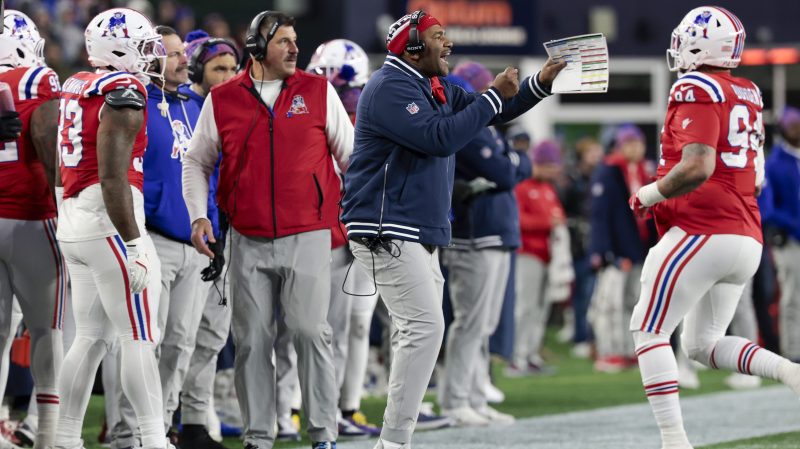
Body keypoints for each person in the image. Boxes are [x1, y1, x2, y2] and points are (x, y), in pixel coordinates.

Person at [341, 9, 565, 449]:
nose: (449, 45)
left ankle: (394, 436)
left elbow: (492, 114)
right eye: (440, 36)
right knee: (424, 330)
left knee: (422, 331)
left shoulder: (430, 84)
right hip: (387, 225)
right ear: (413, 46)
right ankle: (393, 439)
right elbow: (438, 137)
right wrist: (490, 98)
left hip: (415, 227)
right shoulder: (388, 86)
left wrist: (541, 82)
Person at [627, 7, 800, 449]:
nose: (679, 46)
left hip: (705, 227)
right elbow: (756, 176)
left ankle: (673, 440)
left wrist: (649, 194)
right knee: (702, 345)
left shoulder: (695, 85)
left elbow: (699, 165)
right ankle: (790, 372)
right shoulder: (748, 91)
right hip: (746, 233)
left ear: (703, 43)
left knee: (649, 330)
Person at [182, 10, 352, 449]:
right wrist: (199, 214)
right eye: (284, 41)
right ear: (257, 48)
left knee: (311, 333)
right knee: (253, 341)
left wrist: (358, 215)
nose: (294, 48)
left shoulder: (319, 91)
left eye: (295, 40)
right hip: (247, 237)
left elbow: (352, 158)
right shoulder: (223, 99)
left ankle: (323, 434)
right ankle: (259, 436)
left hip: (310, 232)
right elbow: (197, 161)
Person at [54, 8, 170, 449]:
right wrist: (136, 242)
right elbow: (111, 177)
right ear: (118, 49)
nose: (149, 57)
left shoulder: (79, 83)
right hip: (109, 223)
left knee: (91, 337)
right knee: (139, 335)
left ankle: (64, 437)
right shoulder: (122, 90)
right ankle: (153, 438)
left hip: (76, 219)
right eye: (142, 48)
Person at [272, 37, 382, 441]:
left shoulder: (365, 112)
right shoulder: (297, 107)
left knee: (333, 329)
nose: (350, 102)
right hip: (309, 230)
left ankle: (329, 409)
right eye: (344, 92)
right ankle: (289, 410)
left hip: (344, 232)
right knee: (293, 329)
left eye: (353, 93)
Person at [438, 60, 530, 427]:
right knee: (470, 322)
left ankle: (474, 396)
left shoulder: (488, 128)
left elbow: (518, 166)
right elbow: (507, 172)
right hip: (473, 235)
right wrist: (515, 159)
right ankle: (455, 399)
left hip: (493, 232)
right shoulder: (472, 127)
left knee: (484, 324)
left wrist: (515, 160)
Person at [0, 9, 64, 449]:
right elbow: (44, 133)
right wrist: (67, 196)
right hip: (29, 214)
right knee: (47, 329)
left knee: (0, 334)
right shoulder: (36, 79)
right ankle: (47, 432)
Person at [179, 29, 239, 448]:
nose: (229, 75)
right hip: (189, 236)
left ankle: (196, 420)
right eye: (219, 68)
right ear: (198, 69)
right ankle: (155, 419)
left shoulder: (235, 108)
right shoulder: (181, 108)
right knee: (175, 338)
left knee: (213, 337)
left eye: (234, 68)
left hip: (227, 234)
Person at [589, 124, 655, 373]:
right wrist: (604, 252)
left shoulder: (645, 170)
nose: (635, 148)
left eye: (638, 143)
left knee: (635, 302)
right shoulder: (608, 171)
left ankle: (629, 350)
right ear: (619, 145)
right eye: (629, 143)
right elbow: (599, 216)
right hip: (616, 251)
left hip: (639, 248)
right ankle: (608, 351)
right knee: (609, 304)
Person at [509, 140, 566, 377]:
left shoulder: (547, 188)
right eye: (550, 165)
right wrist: (546, 223)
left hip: (547, 255)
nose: (554, 170)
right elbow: (517, 220)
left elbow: (558, 215)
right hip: (528, 253)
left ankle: (531, 354)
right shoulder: (522, 186)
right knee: (525, 306)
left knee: (541, 308)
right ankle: (517, 357)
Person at [763, 106, 800, 362]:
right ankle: (793, 351)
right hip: (789, 240)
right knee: (792, 295)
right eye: (792, 125)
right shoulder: (774, 163)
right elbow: (767, 208)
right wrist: (794, 225)